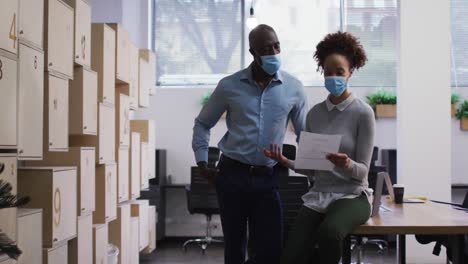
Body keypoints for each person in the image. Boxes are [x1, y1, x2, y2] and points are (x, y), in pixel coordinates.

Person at [192, 24, 308, 264]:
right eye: (266, 48)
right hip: (232, 174)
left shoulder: (294, 88)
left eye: (276, 45)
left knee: (270, 250)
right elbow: (203, 123)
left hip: (268, 176)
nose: (274, 52)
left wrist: (309, 168)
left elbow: (304, 134)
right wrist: (203, 163)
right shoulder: (229, 86)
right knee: (234, 248)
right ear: (253, 52)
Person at [264, 31, 376, 264]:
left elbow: (363, 171)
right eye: (328, 72)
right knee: (291, 253)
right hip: (320, 194)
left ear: (351, 72)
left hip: (353, 195)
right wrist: (287, 162)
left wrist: (347, 164)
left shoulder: (363, 113)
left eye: (340, 72)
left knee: (330, 233)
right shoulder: (314, 114)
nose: (333, 77)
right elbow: (313, 169)